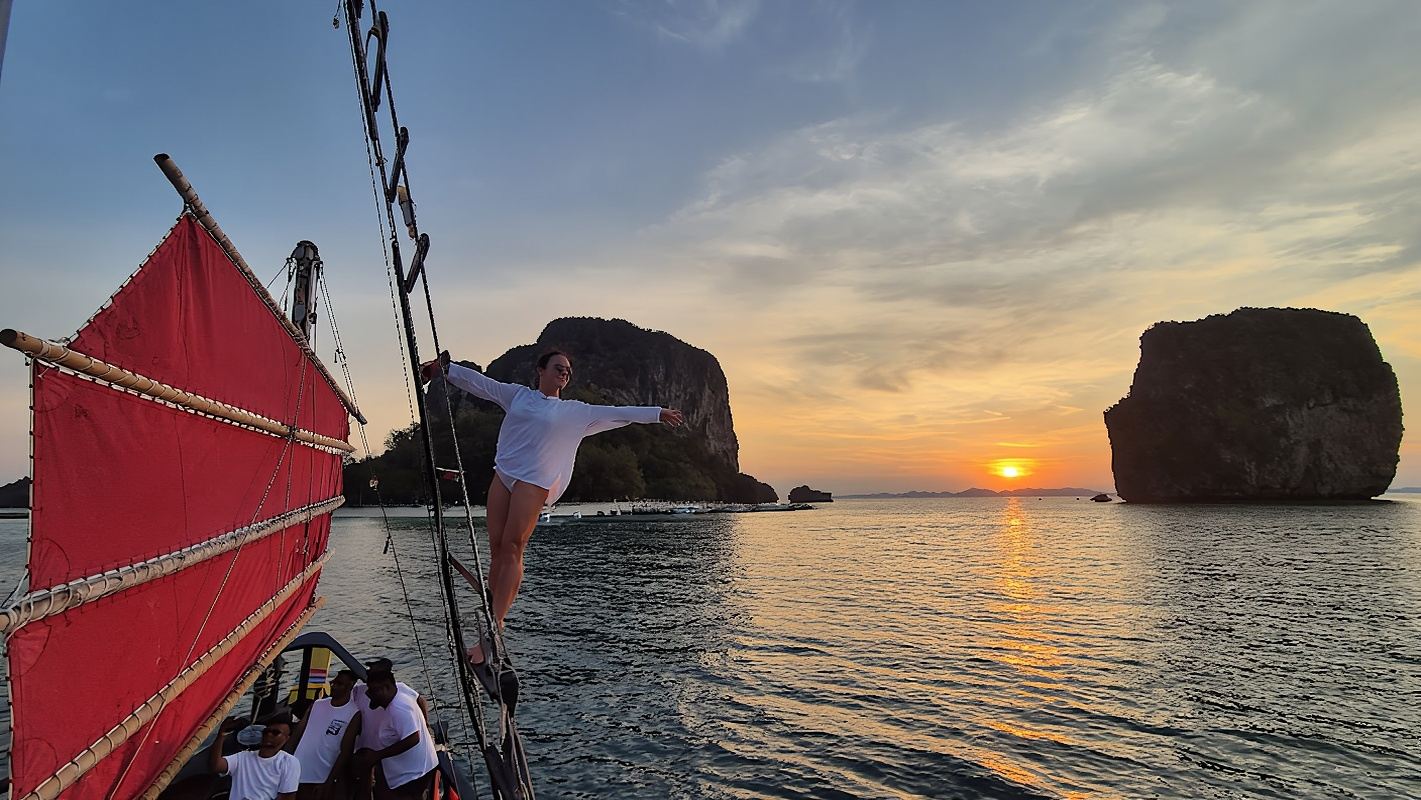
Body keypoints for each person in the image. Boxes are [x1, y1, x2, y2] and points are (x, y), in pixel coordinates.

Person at [422, 350, 684, 664]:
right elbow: (481, 384)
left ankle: (493, 632)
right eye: (559, 368)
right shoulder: (518, 396)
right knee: (496, 548)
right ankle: (496, 611)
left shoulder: (577, 411)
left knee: (513, 546)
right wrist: (445, 369)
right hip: (505, 473)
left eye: (568, 371)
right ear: (541, 370)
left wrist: (658, 413)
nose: (564, 373)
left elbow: (620, 412)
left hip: (536, 480)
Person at [352, 665, 438, 800]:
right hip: (402, 771)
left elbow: (414, 738)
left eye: (373, 690)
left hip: (413, 774)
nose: (368, 694)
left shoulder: (398, 708)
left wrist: (377, 755)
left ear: (386, 687)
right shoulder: (398, 695)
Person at [290, 670, 360, 799]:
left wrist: (330, 781)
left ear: (350, 686)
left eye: (339, 684)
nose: (333, 686)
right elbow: (298, 733)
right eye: (333, 682)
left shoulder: (353, 713)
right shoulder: (317, 704)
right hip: (298, 771)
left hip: (321, 776)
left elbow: (345, 751)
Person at [210, 716, 301, 800]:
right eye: (266, 732)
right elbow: (216, 766)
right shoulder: (243, 757)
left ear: (286, 738)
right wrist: (221, 735)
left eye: (275, 733)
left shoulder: (289, 762)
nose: (269, 735)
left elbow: (288, 797)